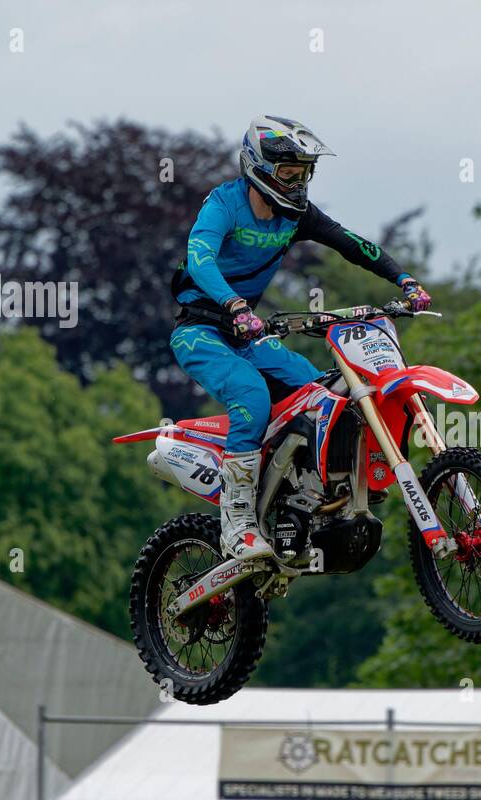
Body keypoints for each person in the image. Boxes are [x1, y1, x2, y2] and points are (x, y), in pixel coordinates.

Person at [170, 114, 433, 561]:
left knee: (322, 394)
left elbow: (352, 244)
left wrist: (404, 280)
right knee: (251, 396)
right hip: (202, 331)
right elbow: (200, 258)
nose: (297, 183)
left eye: (304, 173)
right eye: (288, 173)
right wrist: (234, 305)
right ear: (258, 167)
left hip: (249, 331)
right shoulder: (224, 204)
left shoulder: (298, 215)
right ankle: (237, 523)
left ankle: (308, 496)